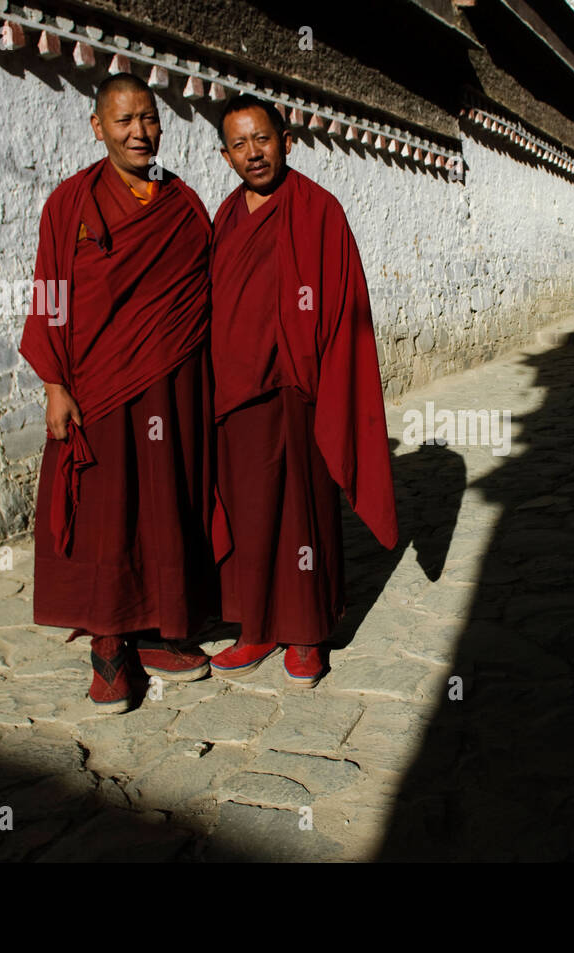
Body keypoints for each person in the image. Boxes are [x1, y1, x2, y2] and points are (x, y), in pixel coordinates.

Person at [19, 73, 219, 714]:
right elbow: (50, 294)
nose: (138, 131)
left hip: (171, 383)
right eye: (124, 120)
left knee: (167, 502)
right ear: (98, 128)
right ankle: (108, 647)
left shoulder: (183, 205)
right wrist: (54, 384)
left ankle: (160, 629)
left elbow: (208, 294)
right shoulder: (70, 205)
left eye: (149, 118)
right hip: (96, 388)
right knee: (108, 510)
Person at [208, 95, 398, 688]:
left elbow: (345, 307)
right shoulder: (225, 218)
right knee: (249, 512)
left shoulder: (319, 211)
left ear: (285, 140)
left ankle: (308, 632)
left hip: (301, 386)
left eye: (261, 139)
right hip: (237, 391)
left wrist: (332, 383)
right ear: (225, 155)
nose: (252, 153)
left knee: (304, 513)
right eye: (239, 144)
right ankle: (255, 627)